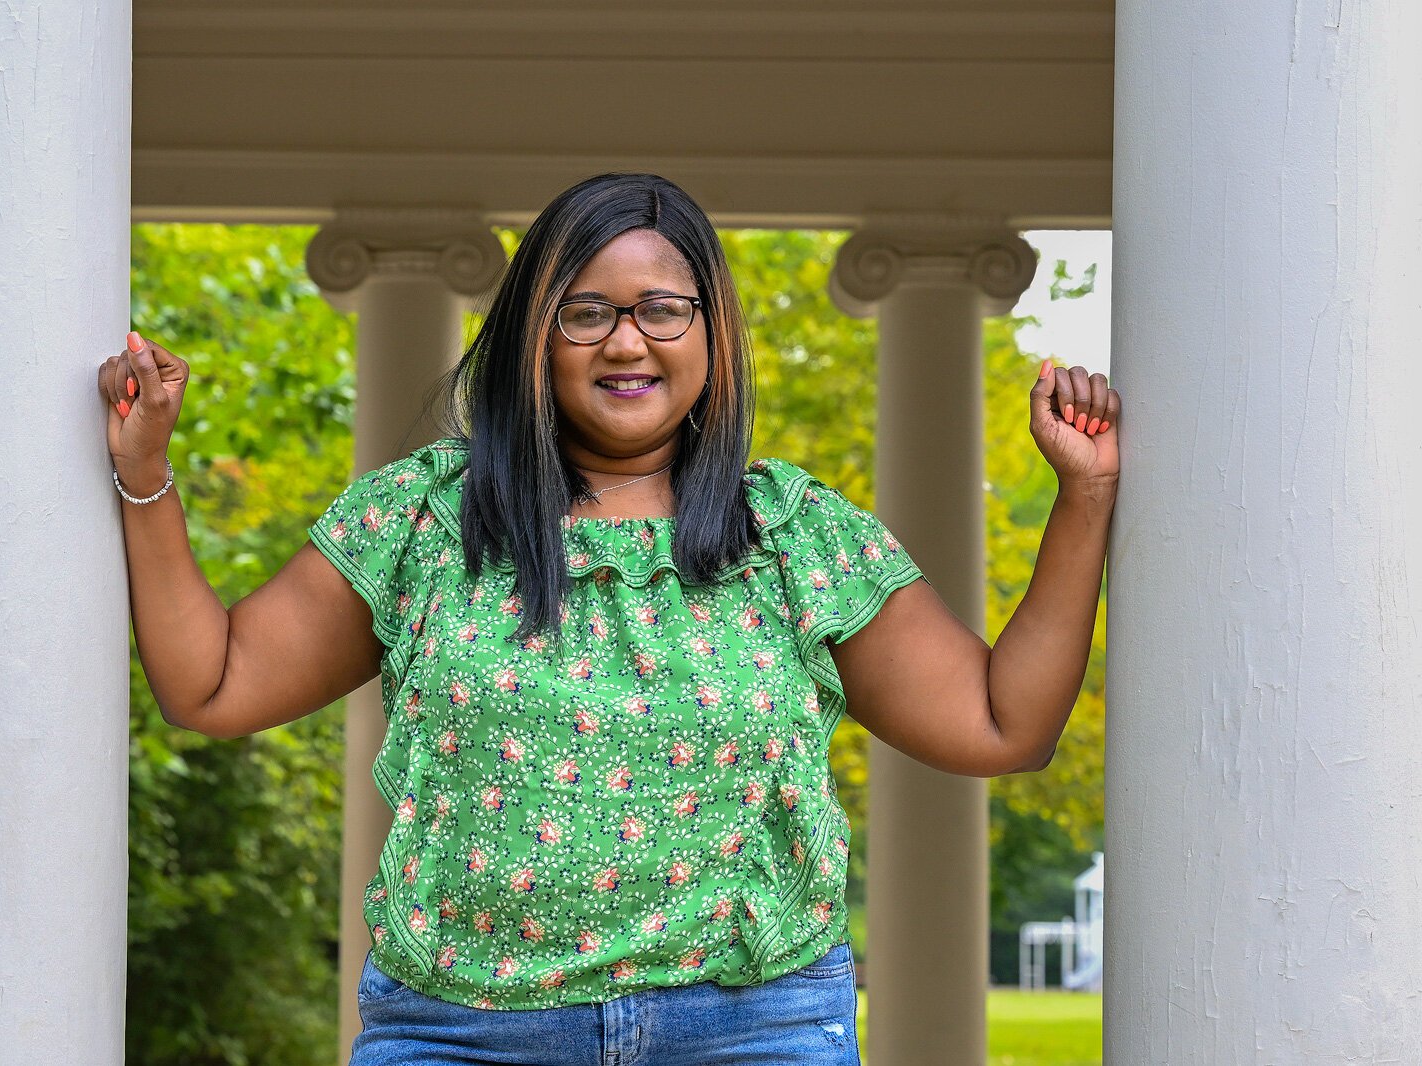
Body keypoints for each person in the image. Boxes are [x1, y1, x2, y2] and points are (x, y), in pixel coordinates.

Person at [96, 172, 1120, 1065]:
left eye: (661, 309)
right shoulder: (424, 520)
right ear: (533, 338)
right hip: (462, 1033)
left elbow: (1003, 724)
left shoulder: (794, 536)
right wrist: (147, 471)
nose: (626, 340)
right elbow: (212, 683)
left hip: (750, 1033)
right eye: (585, 312)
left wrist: (1079, 501)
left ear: (711, 335)